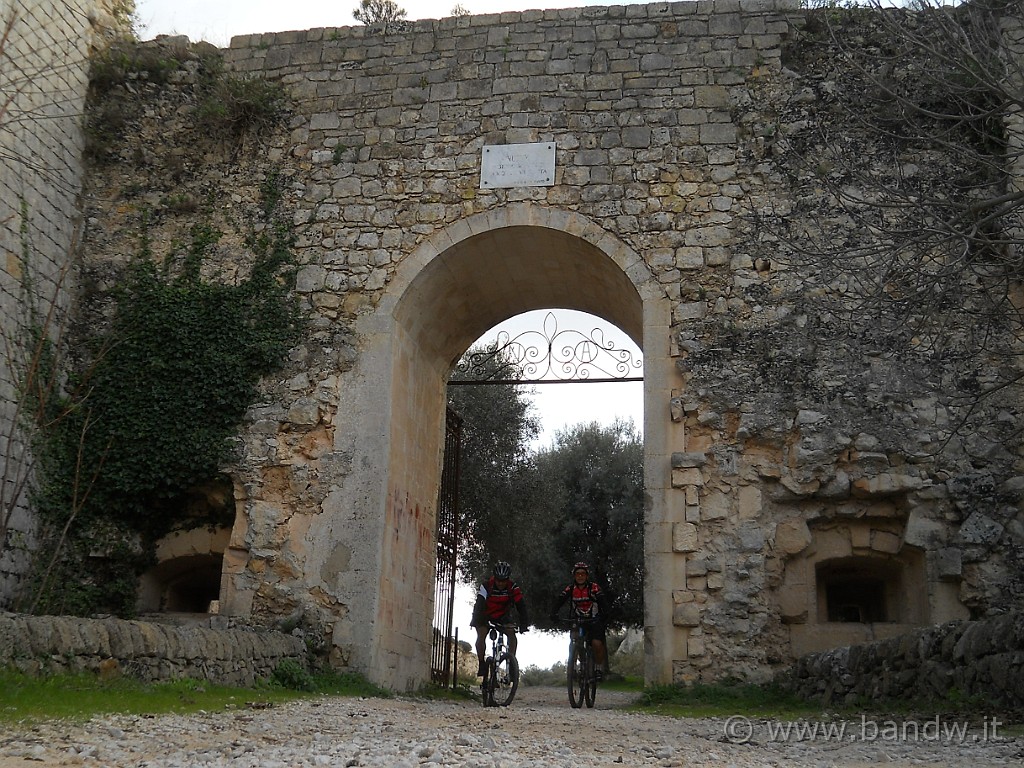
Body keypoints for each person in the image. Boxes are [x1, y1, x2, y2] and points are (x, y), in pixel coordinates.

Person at [549, 561, 610, 680]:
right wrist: (553, 613)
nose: (580, 576)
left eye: (583, 574)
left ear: (587, 576)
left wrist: (605, 614)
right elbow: (559, 600)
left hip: (594, 619)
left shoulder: (594, 588)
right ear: (574, 576)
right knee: (574, 640)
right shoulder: (570, 589)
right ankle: (574, 668)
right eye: (578, 574)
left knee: (597, 643)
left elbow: (604, 603)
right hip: (578, 619)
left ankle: (598, 668)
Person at [470, 560, 530, 677]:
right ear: (494, 577)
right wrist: (476, 620)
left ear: (507, 579)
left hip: (503, 617)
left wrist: (524, 623)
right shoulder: (486, 586)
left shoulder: (513, 587)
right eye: (498, 580)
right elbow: (479, 604)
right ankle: (482, 663)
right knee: (481, 635)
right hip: (485, 615)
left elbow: (521, 606)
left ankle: (511, 661)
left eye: (504, 580)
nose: (501, 583)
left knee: (512, 635)